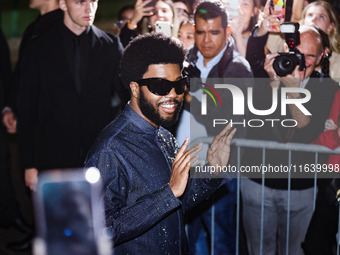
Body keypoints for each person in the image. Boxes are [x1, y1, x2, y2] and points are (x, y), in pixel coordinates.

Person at [85, 32, 236, 254]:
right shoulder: (110, 151)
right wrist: (167, 194)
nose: (173, 94)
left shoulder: (163, 135)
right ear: (135, 88)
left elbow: (180, 202)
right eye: (160, 86)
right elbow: (100, 230)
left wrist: (213, 170)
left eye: (179, 84)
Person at [243, 21, 339, 255]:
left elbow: (305, 129)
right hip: (258, 182)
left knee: (294, 251)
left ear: (321, 57)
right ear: (287, 49)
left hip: (301, 187)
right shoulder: (268, 73)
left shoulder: (327, 88)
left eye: (309, 56)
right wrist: (273, 85)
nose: (301, 62)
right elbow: (260, 123)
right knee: (258, 250)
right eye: (297, 54)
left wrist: (292, 90)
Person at [18, 0, 128, 192]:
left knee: (101, 221)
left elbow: (128, 100)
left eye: (93, 1)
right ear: (62, 4)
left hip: (99, 158)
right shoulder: (38, 47)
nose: (89, 8)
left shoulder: (110, 45)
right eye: (80, 2)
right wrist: (29, 164)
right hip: (52, 159)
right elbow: (27, 108)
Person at [177, 1, 253, 254]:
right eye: (200, 31)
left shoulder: (238, 69)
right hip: (183, 166)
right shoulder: (187, 59)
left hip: (218, 171)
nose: (206, 39)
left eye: (214, 32)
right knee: (189, 240)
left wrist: (190, 97)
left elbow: (227, 122)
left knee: (221, 239)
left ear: (227, 32)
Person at [2, 0, 62, 135]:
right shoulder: (33, 28)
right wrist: (11, 108)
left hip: (50, 123)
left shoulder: (64, 27)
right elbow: (22, 72)